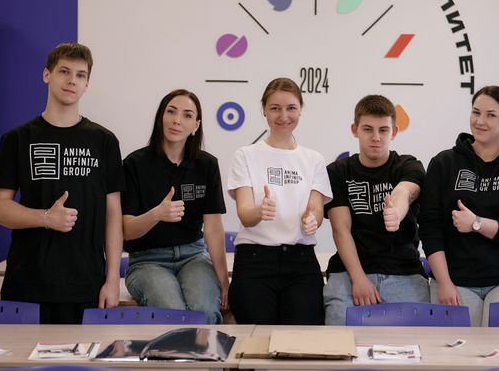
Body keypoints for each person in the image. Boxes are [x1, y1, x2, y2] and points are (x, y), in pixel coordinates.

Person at [0, 42, 124, 324]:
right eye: (64, 71)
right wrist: (46, 218)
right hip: (28, 281)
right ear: (46, 75)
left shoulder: (104, 141)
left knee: (84, 355)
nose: (72, 80)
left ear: (87, 84)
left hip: (86, 283)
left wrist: (113, 279)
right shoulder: (17, 139)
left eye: (80, 75)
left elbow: (113, 214)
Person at [418, 86, 499, 326]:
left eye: (491, 115)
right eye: (476, 112)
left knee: (498, 347)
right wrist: (444, 282)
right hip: (454, 278)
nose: (480, 121)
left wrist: (477, 223)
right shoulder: (444, 163)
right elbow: (430, 228)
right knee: (460, 348)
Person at [227, 77, 332, 324]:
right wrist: (259, 211)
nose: (284, 116)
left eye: (291, 108)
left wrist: (312, 220)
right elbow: (245, 214)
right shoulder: (245, 155)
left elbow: (316, 210)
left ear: (300, 110)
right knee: (255, 340)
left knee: (301, 340)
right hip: (254, 261)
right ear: (264, 110)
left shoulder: (313, 159)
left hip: (301, 262)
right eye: (275, 108)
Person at [120, 89, 229, 324]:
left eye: (187, 115)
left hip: (193, 256)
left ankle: (208, 352)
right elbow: (126, 230)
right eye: (171, 112)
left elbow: (213, 228)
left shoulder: (207, 165)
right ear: (161, 117)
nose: (177, 120)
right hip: (147, 260)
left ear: (196, 125)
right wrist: (156, 214)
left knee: (205, 312)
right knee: (174, 313)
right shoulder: (134, 164)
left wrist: (223, 279)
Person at [323, 94, 428, 325]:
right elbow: (341, 229)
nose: (376, 138)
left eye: (383, 130)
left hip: (404, 272)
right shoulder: (337, 171)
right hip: (349, 272)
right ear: (355, 130)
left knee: (419, 339)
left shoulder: (408, 165)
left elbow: (405, 192)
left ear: (394, 132)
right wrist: (359, 278)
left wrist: (396, 212)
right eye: (368, 129)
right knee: (338, 335)